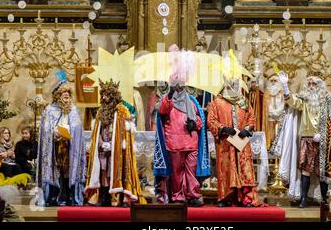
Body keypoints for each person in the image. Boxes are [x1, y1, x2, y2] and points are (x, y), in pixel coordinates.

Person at [271, 71, 331, 208]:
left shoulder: (327, 99)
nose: (312, 86)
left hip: (323, 141)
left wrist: (322, 135)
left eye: (315, 83)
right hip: (306, 139)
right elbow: (292, 102)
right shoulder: (304, 100)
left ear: (320, 85)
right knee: (306, 169)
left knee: (322, 171)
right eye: (310, 83)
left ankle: (323, 199)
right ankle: (304, 198)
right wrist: (285, 85)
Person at [153, 45, 210, 206]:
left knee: (191, 170)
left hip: (191, 142)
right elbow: (162, 111)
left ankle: (192, 194)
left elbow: (200, 120)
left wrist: (195, 124)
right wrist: (170, 93)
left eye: (181, 84)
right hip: (174, 143)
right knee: (176, 172)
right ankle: (177, 196)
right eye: (176, 84)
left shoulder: (191, 101)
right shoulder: (168, 100)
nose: (179, 87)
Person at [85, 80, 147, 207]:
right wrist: (102, 143)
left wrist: (113, 145)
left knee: (116, 172)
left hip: (117, 150)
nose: (103, 97)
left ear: (113, 95)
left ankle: (118, 198)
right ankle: (104, 196)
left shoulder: (122, 111)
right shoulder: (100, 112)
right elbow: (97, 132)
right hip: (103, 149)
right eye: (102, 95)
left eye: (106, 95)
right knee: (103, 172)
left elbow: (124, 133)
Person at [207, 79, 263, 207]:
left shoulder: (243, 101)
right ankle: (226, 198)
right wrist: (223, 128)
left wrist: (247, 129)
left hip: (242, 141)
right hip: (225, 143)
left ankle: (247, 198)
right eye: (231, 84)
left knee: (245, 169)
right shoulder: (217, 102)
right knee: (226, 169)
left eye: (235, 84)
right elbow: (211, 121)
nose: (233, 87)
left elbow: (252, 118)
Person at [36, 71, 86, 207]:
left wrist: (70, 132)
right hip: (56, 148)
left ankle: (69, 196)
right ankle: (54, 196)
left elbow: (77, 128)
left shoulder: (73, 110)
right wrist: (54, 133)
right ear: (58, 96)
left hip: (69, 148)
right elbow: (46, 129)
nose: (66, 98)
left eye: (68, 95)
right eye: (64, 95)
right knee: (55, 171)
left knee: (68, 172)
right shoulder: (50, 110)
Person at [262, 74, 285, 150]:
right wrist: (272, 112)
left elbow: (283, 104)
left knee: (280, 134)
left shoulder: (282, 92)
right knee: (271, 135)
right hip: (270, 117)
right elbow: (266, 105)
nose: (273, 82)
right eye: (271, 81)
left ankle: (279, 148)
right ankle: (271, 147)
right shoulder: (267, 92)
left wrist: (278, 112)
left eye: (275, 81)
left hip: (280, 116)